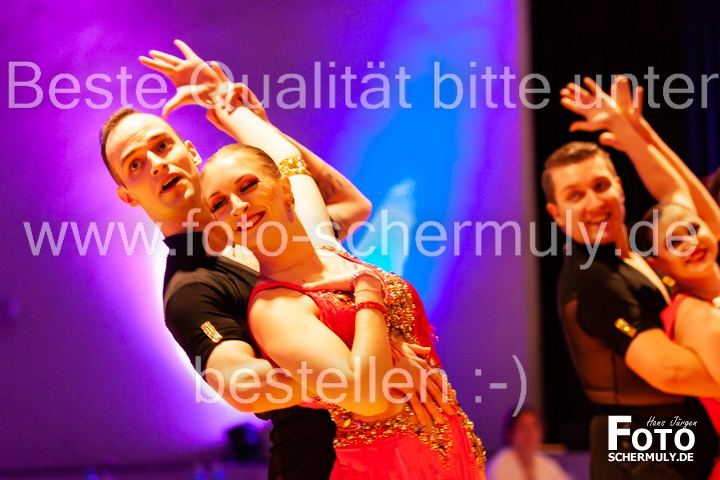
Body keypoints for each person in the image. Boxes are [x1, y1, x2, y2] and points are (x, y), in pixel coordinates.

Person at [101, 40, 447, 480]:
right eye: (134, 164)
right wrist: (365, 373)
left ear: (190, 151)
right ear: (128, 197)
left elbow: (349, 204)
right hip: (322, 464)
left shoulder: (270, 232)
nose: (155, 163)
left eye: (162, 145)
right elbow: (244, 385)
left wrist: (253, 123)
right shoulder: (190, 289)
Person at [199, 102, 486, 477]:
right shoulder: (274, 307)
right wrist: (368, 292)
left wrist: (230, 107)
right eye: (220, 203)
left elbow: (290, 160)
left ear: (285, 190)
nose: (237, 205)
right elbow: (366, 397)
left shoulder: (325, 245)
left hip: (454, 454)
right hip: (389, 466)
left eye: (248, 185)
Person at [543, 75, 720, 479]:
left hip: (673, 446)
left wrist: (629, 130)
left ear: (619, 188)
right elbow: (669, 371)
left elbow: (679, 198)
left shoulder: (639, 256)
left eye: (600, 185)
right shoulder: (594, 281)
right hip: (640, 453)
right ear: (556, 214)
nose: (594, 202)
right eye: (575, 195)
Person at [636, 202, 720, 479]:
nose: (691, 244)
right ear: (657, 264)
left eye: (694, 229)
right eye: (674, 242)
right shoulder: (693, 313)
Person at [486, 407, 572, 480]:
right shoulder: (499, 466)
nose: (530, 434)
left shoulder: (548, 465)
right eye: (523, 427)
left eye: (534, 427)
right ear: (510, 433)